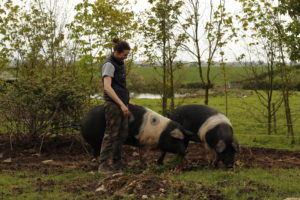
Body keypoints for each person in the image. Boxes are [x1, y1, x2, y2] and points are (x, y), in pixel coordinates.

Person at [98, 38, 131, 173]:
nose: (126, 57)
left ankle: (116, 162)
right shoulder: (109, 64)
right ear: (116, 52)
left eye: (127, 55)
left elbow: (120, 86)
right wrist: (121, 104)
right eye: (124, 54)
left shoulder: (120, 63)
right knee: (111, 135)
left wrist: (126, 102)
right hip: (113, 105)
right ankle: (103, 165)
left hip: (122, 104)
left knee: (122, 134)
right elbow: (107, 87)